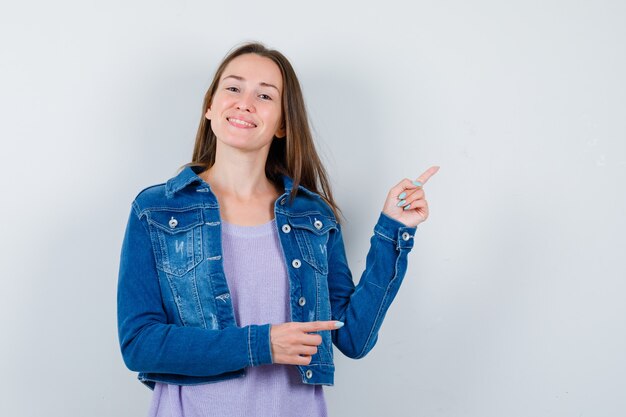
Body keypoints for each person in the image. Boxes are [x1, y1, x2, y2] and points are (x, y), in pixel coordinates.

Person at [117, 41, 439, 417]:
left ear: (284, 123)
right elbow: (139, 343)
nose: (245, 102)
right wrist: (261, 344)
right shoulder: (156, 210)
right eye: (233, 88)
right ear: (210, 106)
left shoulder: (312, 217)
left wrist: (393, 231)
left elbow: (353, 337)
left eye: (265, 95)